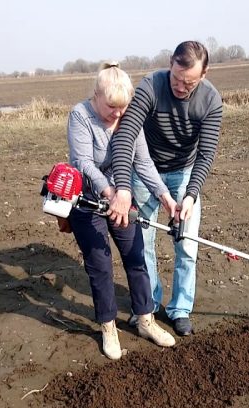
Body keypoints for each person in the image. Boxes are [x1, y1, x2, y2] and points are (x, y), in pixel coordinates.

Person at [107, 41, 224, 336]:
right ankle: (150, 302)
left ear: (204, 74)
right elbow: (125, 135)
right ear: (170, 63)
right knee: (142, 243)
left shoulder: (211, 100)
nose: (180, 88)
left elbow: (206, 154)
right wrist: (123, 187)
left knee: (186, 244)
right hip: (145, 171)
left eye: (189, 83)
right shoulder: (151, 86)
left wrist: (190, 195)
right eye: (176, 79)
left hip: (184, 172)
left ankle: (180, 309)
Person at [66, 62, 177, 360]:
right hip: (88, 201)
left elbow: (143, 162)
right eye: (111, 107)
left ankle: (145, 320)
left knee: (136, 255)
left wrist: (164, 196)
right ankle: (108, 327)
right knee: (100, 264)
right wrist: (111, 192)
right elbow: (83, 162)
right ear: (96, 96)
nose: (118, 114)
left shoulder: (128, 119)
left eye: (123, 107)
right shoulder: (80, 115)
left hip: (122, 199)